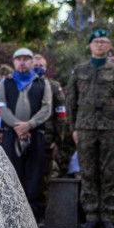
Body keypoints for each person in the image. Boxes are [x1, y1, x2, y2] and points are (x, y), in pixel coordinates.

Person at [65, 29, 114, 228]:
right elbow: (70, 102)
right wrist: (73, 128)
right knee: (87, 172)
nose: (100, 45)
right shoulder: (79, 70)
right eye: (96, 41)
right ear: (90, 45)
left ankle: (110, 218)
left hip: (109, 129)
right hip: (85, 128)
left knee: (110, 174)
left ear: (109, 46)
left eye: (104, 41)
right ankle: (92, 217)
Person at [0, 48, 52, 222]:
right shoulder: (5, 83)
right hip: (11, 134)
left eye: (26, 59)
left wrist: (29, 125)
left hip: (35, 134)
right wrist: (17, 126)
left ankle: (35, 216)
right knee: (12, 174)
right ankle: (13, 216)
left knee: (35, 174)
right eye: (19, 59)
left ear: (32, 62)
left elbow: (47, 108)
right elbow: (0, 107)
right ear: (14, 62)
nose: (22, 62)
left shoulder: (42, 83)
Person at [32, 54, 68, 197]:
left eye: (41, 66)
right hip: (27, 136)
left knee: (44, 179)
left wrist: (58, 139)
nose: (38, 68)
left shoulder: (53, 86)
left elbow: (61, 115)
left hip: (46, 139)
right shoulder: (23, 85)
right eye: (35, 65)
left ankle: (41, 209)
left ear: (46, 68)